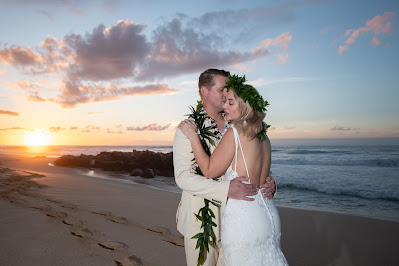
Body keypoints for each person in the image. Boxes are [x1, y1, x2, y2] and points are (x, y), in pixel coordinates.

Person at [178, 74, 288, 265]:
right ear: (205, 91)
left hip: (241, 220)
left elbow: (211, 170)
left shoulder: (234, 129)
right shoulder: (262, 135)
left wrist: (272, 183)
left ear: (243, 105)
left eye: (230, 100)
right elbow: (183, 177)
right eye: (222, 91)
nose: (225, 101)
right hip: (216, 221)